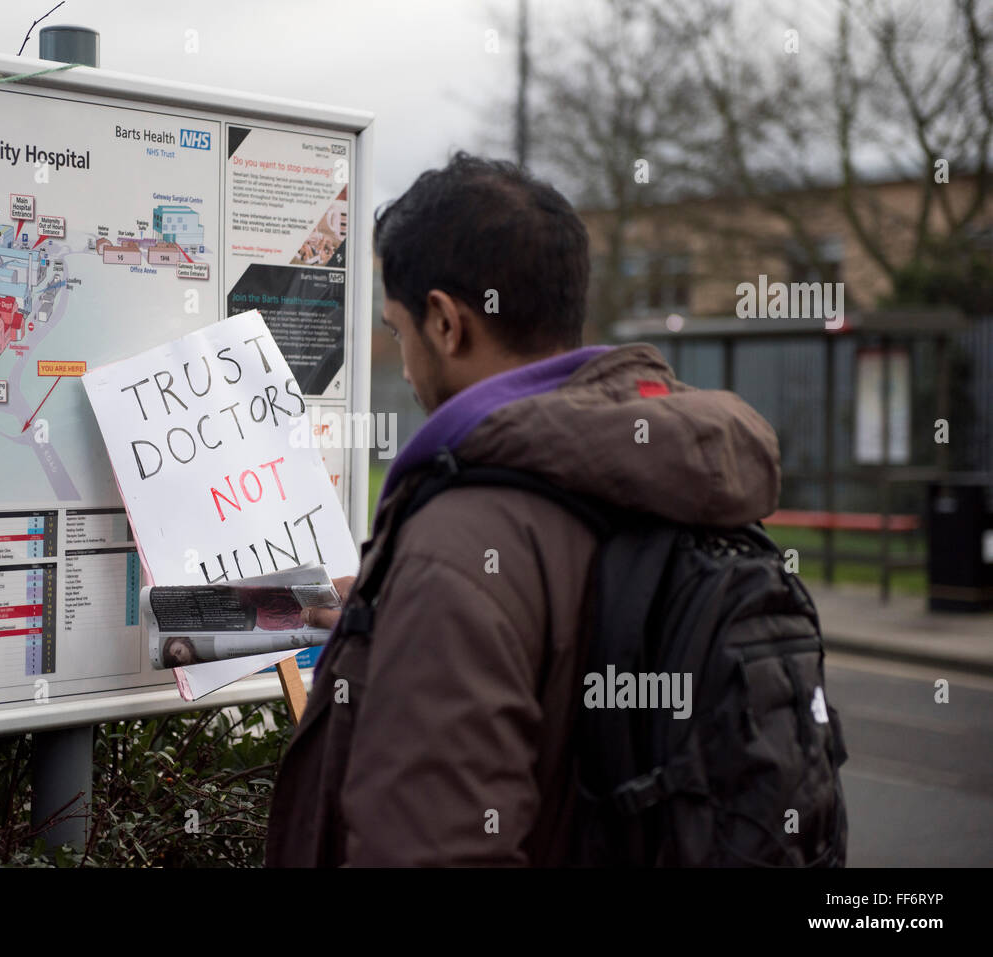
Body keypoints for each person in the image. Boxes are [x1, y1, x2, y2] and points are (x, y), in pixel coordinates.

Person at [264, 151, 781, 867]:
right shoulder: (674, 477)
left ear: (445, 322)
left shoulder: (461, 541)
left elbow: (431, 848)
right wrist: (385, 614)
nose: (405, 361)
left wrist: (431, 592)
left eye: (396, 329)